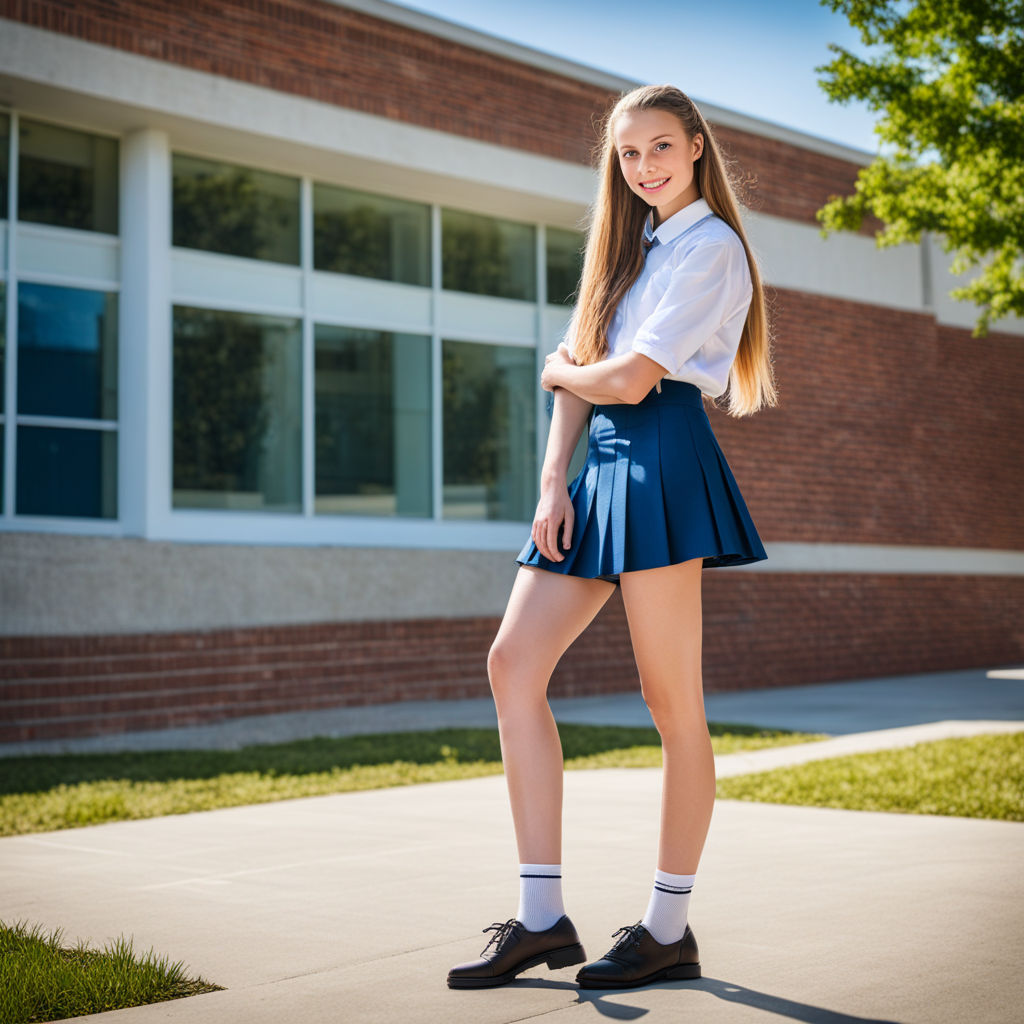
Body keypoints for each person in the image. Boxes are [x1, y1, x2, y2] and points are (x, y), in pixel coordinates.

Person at [447, 83, 777, 992]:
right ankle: (543, 918)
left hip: (665, 457)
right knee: (512, 664)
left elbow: (623, 378)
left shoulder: (709, 248)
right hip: (597, 469)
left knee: (671, 704)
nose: (645, 168)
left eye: (661, 147)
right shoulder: (626, 255)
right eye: (629, 155)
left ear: (697, 147)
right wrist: (553, 480)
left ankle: (669, 926)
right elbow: (580, 383)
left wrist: (562, 369)